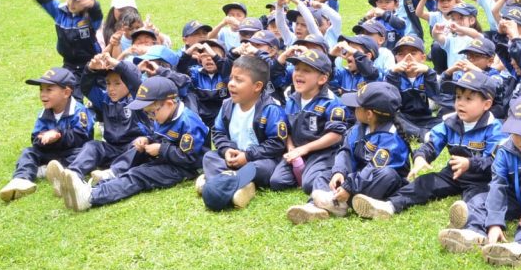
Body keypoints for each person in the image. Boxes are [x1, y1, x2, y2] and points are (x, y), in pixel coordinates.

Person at [350, 70, 506, 224]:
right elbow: (432, 143)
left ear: (487, 104)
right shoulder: (450, 122)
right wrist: (421, 157)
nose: (460, 103)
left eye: (468, 99)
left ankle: (466, 221)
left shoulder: (495, 128)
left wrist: (470, 164)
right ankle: (389, 206)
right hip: (453, 174)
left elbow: (494, 162)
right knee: (424, 182)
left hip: (481, 179)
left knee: (477, 199)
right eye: (458, 97)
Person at [438, 96, 521, 267]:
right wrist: (494, 222)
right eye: (516, 133)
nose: (520, 140)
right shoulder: (504, 148)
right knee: (480, 201)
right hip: (513, 197)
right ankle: (473, 233)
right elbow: (498, 185)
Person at [60, 76, 209, 211]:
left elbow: (188, 158)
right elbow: (160, 136)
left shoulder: (189, 122)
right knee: (136, 156)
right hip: (168, 159)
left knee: (138, 175)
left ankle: (90, 198)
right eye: (147, 113)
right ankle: (95, 187)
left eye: (151, 112)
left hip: (185, 168)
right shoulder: (163, 115)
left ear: (169, 104)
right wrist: (148, 140)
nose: (150, 117)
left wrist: (161, 149)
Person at [197, 55, 291, 210]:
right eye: (231, 78)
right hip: (234, 156)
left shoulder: (271, 109)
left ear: (257, 86)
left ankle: (217, 183)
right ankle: (240, 185)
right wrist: (226, 150)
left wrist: (247, 156)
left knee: (262, 168)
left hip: (258, 159)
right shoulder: (227, 105)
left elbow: (277, 143)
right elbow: (218, 132)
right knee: (209, 157)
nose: (231, 84)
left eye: (238, 80)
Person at [307, 82, 410, 219]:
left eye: (357, 106)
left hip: (375, 182)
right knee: (324, 175)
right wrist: (339, 172)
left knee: (387, 175)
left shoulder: (392, 138)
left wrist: (349, 187)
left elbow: (373, 169)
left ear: (369, 114)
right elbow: (346, 151)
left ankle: (340, 202)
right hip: (356, 178)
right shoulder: (359, 127)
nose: (353, 108)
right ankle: (316, 205)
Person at [0, 67, 94, 202]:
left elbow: (81, 137)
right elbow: (35, 138)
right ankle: (21, 180)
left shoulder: (79, 111)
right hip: (50, 152)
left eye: (49, 90)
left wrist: (58, 135)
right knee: (29, 152)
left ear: (66, 92)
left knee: (85, 153)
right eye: (41, 90)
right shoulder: (44, 113)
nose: (43, 94)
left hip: (72, 152)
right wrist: (43, 140)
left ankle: (52, 173)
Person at [6, 0, 103, 97]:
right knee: (69, 96)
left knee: (100, 96)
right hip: (70, 65)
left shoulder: (91, 18)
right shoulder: (59, 12)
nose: (71, 3)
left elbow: (97, 14)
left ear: (88, 2)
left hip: (92, 64)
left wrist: (93, 5)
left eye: (77, 0)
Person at [282, 49, 350, 223]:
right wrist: (291, 148)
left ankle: (318, 204)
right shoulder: (292, 99)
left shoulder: (332, 102)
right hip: (299, 152)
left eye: (306, 70)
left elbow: (336, 136)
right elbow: (286, 129)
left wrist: (304, 149)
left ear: (322, 79)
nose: (299, 74)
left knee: (309, 183)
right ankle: (305, 172)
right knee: (277, 181)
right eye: (297, 69)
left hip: (324, 152)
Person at [59, 54, 146, 186]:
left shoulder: (138, 100)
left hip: (133, 147)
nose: (111, 88)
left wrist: (117, 64)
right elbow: (86, 88)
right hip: (112, 148)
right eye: (108, 83)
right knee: (93, 146)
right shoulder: (105, 100)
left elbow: (135, 82)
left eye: (117, 83)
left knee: (138, 148)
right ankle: (73, 174)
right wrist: (90, 68)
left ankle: (111, 173)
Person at [386, 35, 446, 140]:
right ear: (396, 58)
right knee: (392, 119)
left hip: (425, 118)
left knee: (447, 119)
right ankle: (422, 135)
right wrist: (392, 74)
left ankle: (420, 132)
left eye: (413, 53)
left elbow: (436, 97)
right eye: (401, 54)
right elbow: (390, 101)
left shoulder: (428, 75)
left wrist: (428, 73)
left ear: (423, 58)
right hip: (403, 118)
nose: (407, 58)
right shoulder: (393, 76)